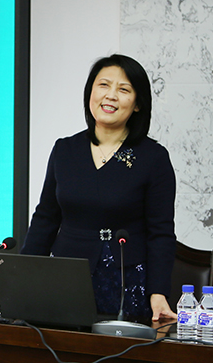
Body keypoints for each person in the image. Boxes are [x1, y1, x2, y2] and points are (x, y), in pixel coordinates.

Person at [11, 54, 177, 325]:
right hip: (66, 279)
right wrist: (20, 278)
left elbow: (161, 233)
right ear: (91, 93)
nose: (111, 95)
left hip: (126, 283)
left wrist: (158, 292)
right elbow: (45, 219)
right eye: (103, 85)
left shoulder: (153, 158)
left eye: (124, 89)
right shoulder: (65, 150)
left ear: (137, 104)